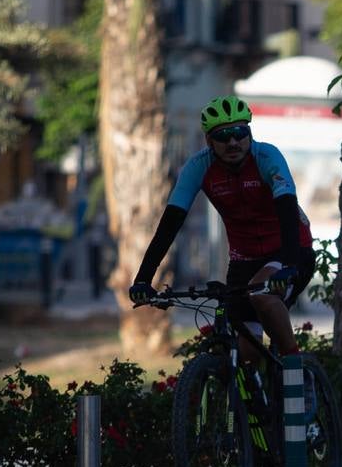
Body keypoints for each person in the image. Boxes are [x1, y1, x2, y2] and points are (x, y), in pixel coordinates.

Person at [129, 95, 316, 367]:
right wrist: (144, 279)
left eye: (240, 133)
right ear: (208, 141)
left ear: (249, 134)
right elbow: (170, 224)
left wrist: (288, 265)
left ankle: (296, 373)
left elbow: (287, 210)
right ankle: (257, 406)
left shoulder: (267, 156)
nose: (233, 142)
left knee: (262, 296)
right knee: (247, 355)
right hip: (244, 258)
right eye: (223, 136)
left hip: (290, 247)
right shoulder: (198, 166)